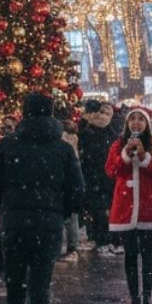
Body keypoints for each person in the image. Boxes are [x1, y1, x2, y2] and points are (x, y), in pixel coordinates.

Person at [0, 92, 85, 304]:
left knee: (15, 289)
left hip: (14, 225)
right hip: (47, 225)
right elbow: (77, 192)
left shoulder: (7, 146)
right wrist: (58, 213)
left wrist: (6, 209)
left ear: (23, 113)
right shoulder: (63, 149)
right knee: (40, 289)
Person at [106, 106, 152, 304]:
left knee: (148, 252)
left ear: (147, 124)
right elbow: (111, 170)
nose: (136, 123)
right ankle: (135, 298)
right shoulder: (118, 145)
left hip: (148, 205)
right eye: (133, 119)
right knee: (130, 253)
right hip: (126, 205)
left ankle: (148, 297)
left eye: (140, 120)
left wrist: (144, 156)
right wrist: (124, 155)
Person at [78, 99, 118, 253]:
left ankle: (99, 238)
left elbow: (84, 150)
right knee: (105, 208)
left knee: (97, 209)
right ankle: (107, 239)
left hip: (92, 173)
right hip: (106, 174)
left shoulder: (87, 129)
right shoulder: (111, 129)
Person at [59, 103, 81, 261]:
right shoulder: (75, 137)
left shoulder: (62, 139)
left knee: (65, 217)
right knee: (71, 216)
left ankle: (67, 247)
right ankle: (73, 246)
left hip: (63, 179)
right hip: (71, 179)